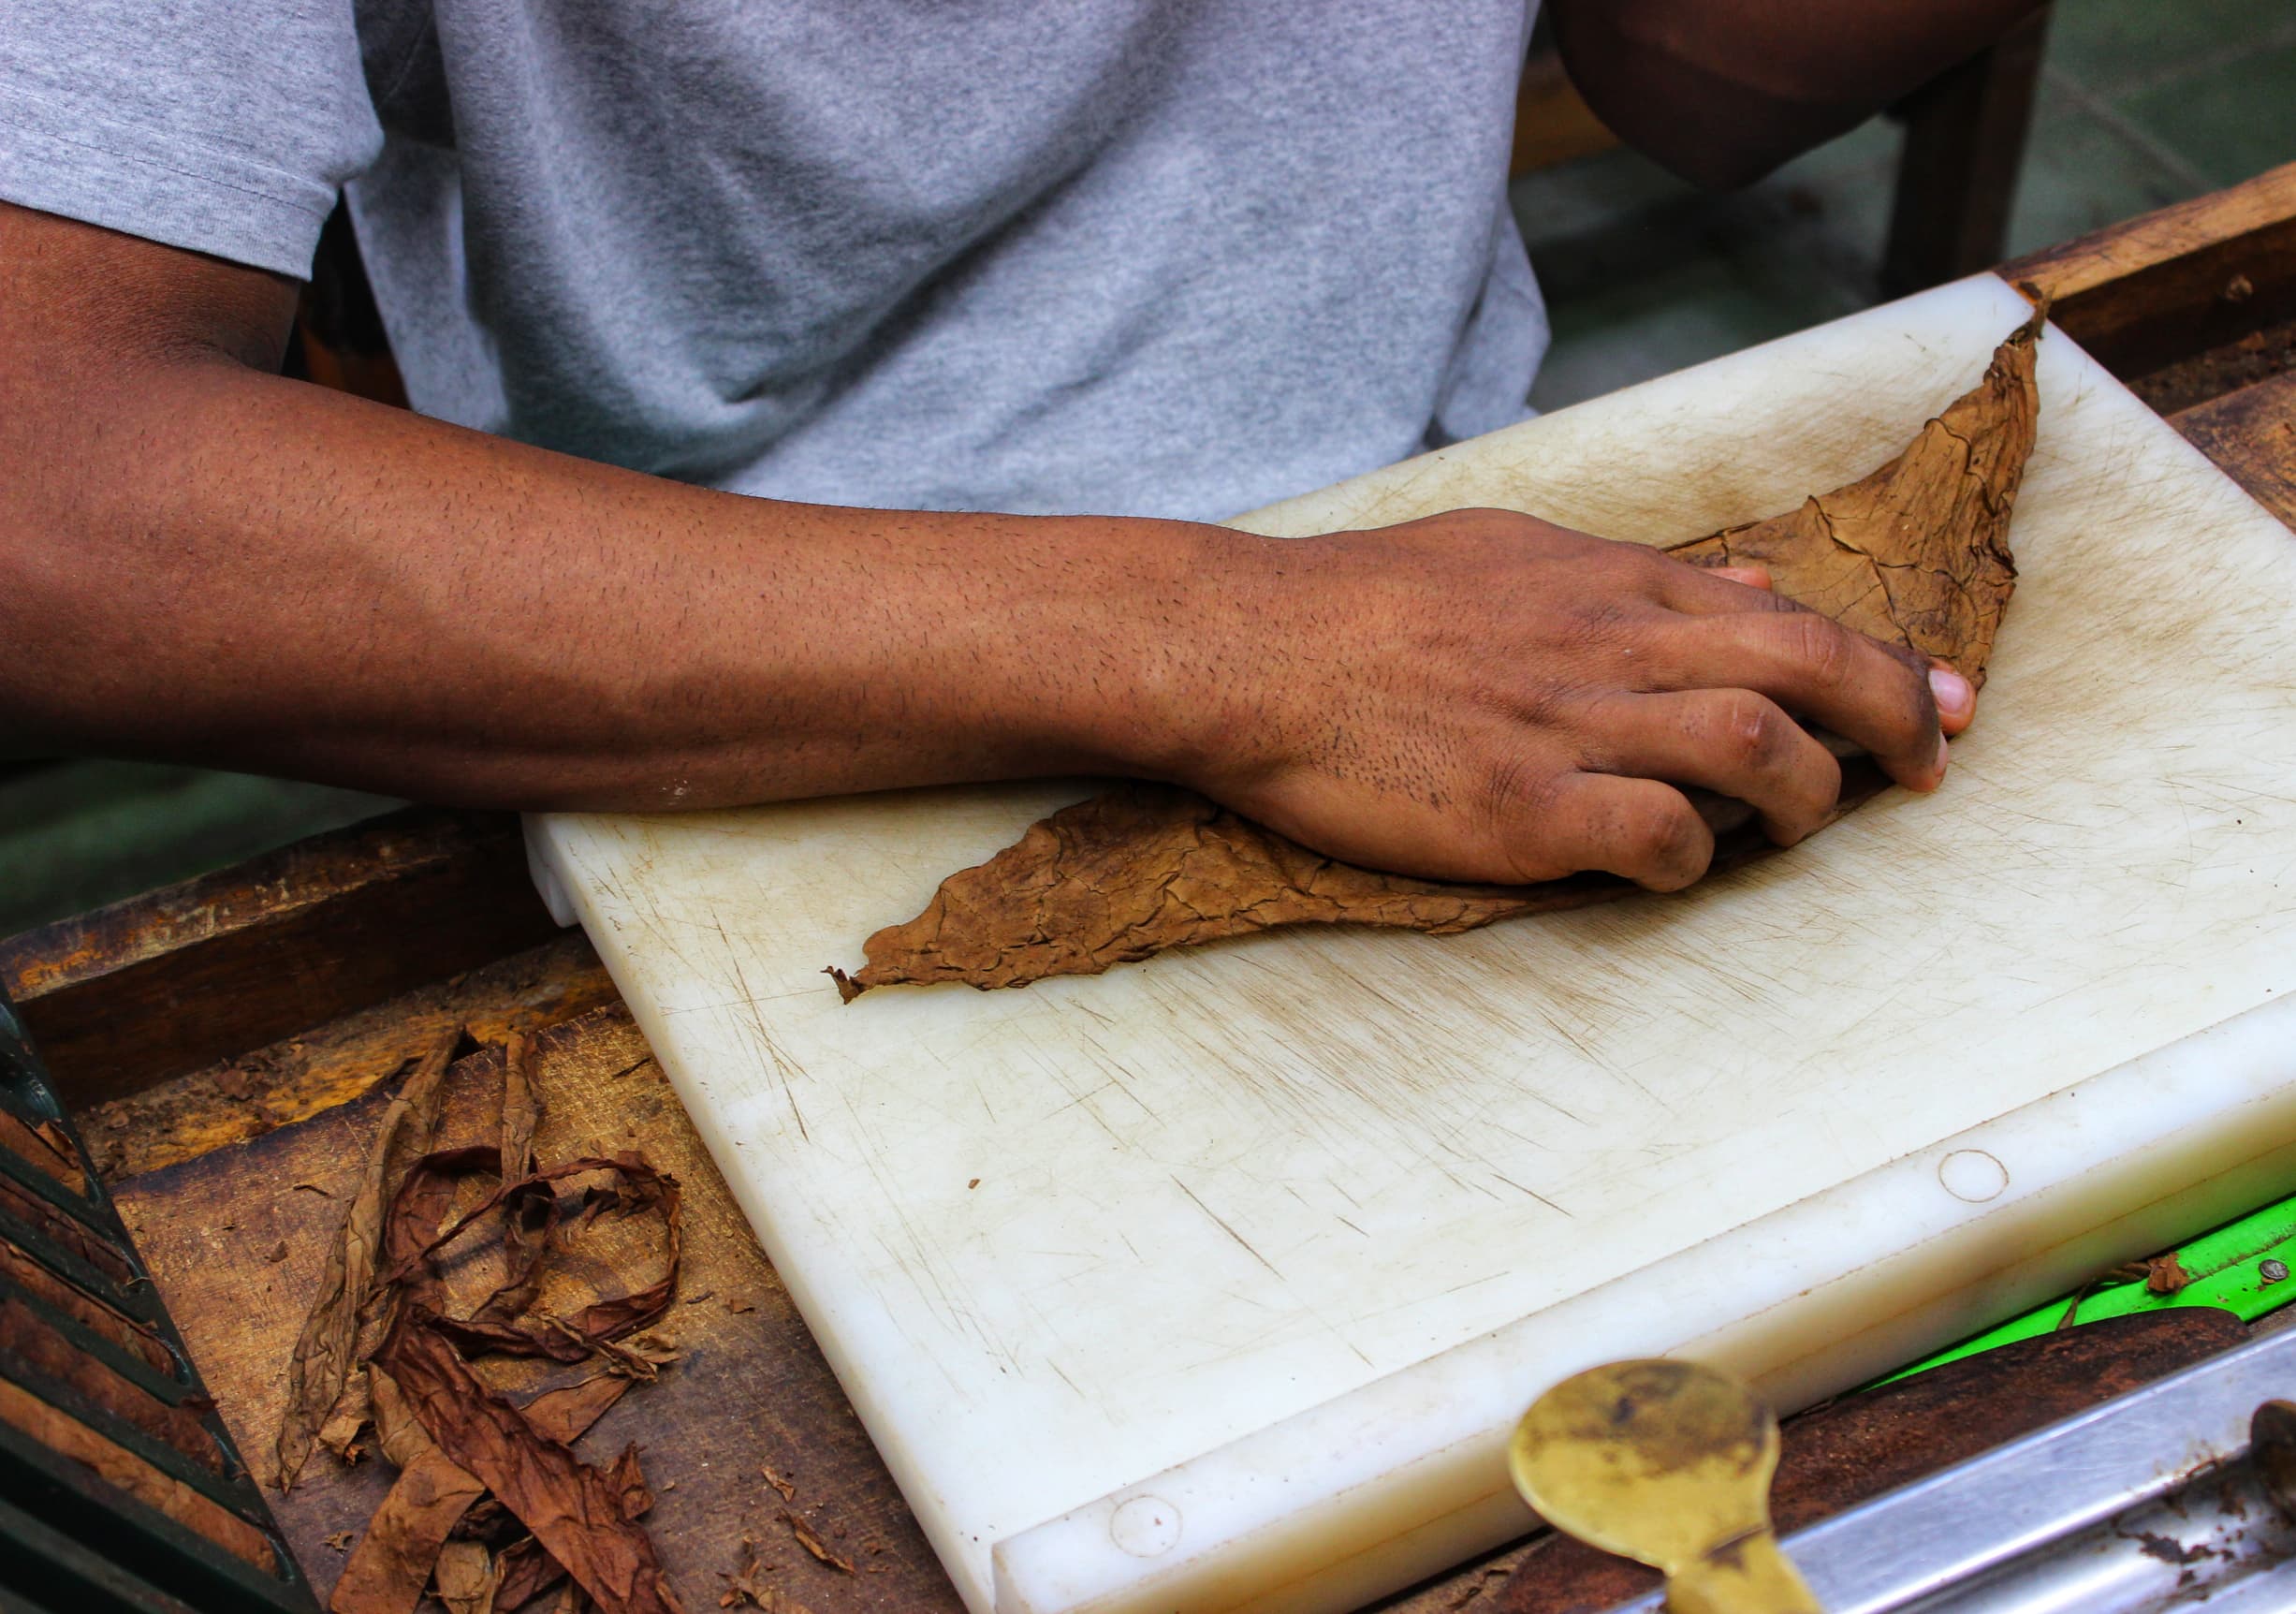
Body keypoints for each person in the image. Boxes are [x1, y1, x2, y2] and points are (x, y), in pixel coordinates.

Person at [0, 0, 2039, 893]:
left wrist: (1316, 639)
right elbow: (50, 480)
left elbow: (1695, 67)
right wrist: (1230, 647)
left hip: (1468, 544)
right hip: (709, 689)